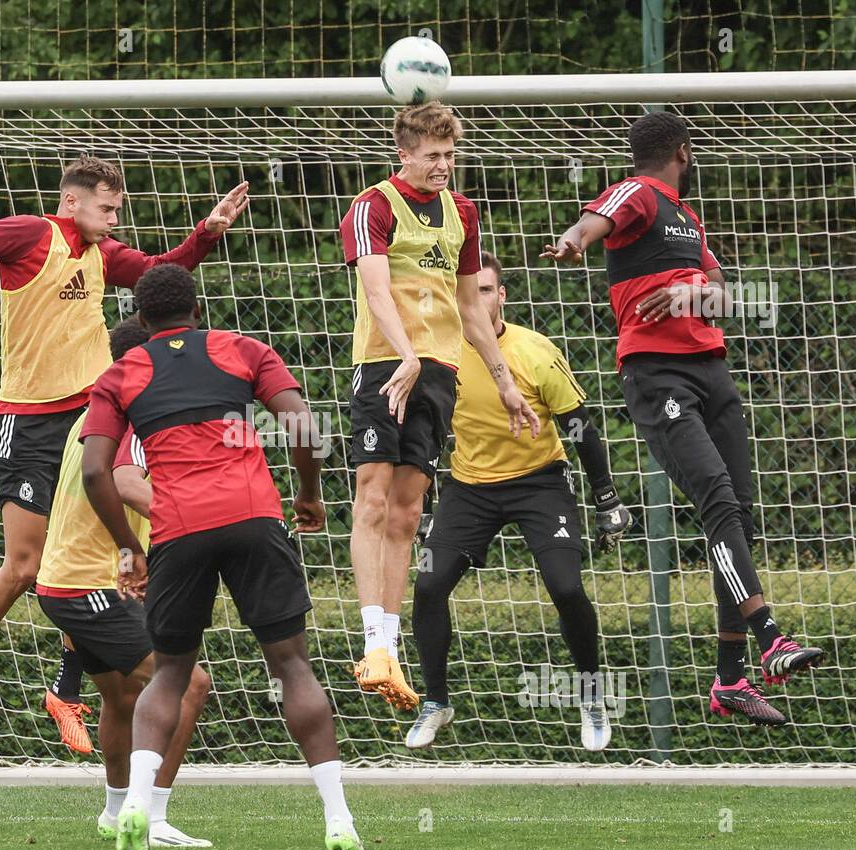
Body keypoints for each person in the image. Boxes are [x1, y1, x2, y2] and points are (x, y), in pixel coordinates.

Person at [0, 155, 248, 738]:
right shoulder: (35, 234)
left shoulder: (104, 255)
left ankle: (67, 687)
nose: (113, 217)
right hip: (26, 423)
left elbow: (160, 274)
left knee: (93, 562)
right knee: (25, 565)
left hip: (91, 420)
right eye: (106, 207)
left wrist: (208, 232)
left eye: (117, 208)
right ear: (72, 201)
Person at [542, 111, 822, 725]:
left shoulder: (689, 223)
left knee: (738, 516)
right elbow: (600, 215)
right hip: (657, 373)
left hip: (711, 373)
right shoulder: (641, 191)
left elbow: (725, 295)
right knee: (717, 498)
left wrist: (693, 293)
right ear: (684, 153)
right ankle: (771, 636)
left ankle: (730, 679)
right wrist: (574, 240)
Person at [80, 264, 364, 850]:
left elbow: (94, 472)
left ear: (142, 319)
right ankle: (339, 818)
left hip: (179, 530)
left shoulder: (120, 373)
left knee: (170, 675)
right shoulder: (243, 348)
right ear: (197, 309)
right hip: (255, 519)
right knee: (291, 664)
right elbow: (304, 427)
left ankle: (135, 804)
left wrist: (129, 546)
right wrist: (308, 495)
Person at [338, 101, 539, 711]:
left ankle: (387, 650)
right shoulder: (373, 206)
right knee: (372, 497)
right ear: (404, 154)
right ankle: (373, 643)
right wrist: (404, 355)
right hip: (385, 365)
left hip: (439, 373)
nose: (443, 167)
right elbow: (375, 289)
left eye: (451, 156)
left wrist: (503, 379)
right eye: (432, 156)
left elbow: (473, 308)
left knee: (406, 513)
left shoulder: (463, 213)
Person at [408, 253, 632, 752]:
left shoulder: (534, 351)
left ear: (502, 295)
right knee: (428, 584)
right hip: (469, 489)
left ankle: (591, 695)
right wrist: (421, 509)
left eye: (487, 290)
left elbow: (579, 426)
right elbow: (425, 433)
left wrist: (607, 498)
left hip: (540, 483)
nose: (478, 299)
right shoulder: (440, 354)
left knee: (566, 587)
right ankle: (436, 702)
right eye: (470, 292)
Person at [35, 317, 212, 848]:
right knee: (190, 685)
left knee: (122, 697)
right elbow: (127, 482)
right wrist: (192, 520)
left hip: (68, 580)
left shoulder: (98, 409)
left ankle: (115, 813)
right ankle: (152, 816)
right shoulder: (132, 408)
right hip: (87, 587)